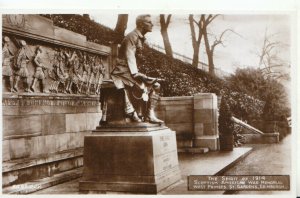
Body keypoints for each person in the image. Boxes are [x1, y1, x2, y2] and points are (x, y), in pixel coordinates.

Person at [111, 14, 164, 124]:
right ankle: (131, 111)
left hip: (131, 71)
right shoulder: (132, 36)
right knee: (143, 84)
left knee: (156, 85)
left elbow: (136, 58)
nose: (152, 24)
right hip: (122, 72)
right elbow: (129, 55)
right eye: (149, 22)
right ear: (141, 24)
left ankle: (150, 114)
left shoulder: (140, 37)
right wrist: (136, 74)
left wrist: (142, 74)